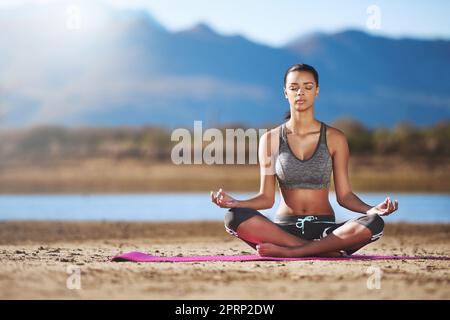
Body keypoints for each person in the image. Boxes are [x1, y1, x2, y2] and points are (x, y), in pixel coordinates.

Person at [211, 63, 398, 258]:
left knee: (374, 223)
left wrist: (371, 209)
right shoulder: (270, 139)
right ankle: (321, 250)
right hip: (283, 231)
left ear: (316, 91)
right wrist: (236, 202)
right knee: (234, 216)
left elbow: (345, 196)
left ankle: (294, 251)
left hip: (326, 231)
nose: (301, 92)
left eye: (308, 87)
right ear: (285, 93)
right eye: (294, 88)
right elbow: (266, 199)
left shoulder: (335, 138)